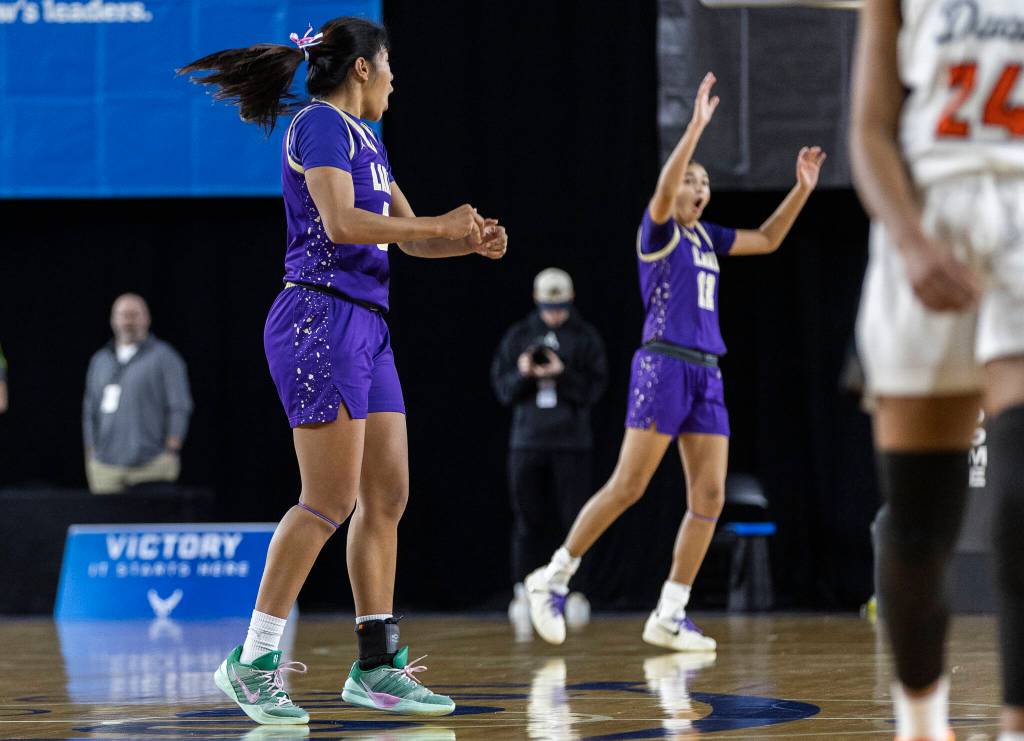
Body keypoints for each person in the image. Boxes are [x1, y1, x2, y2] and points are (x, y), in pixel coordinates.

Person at [179, 17, 507, 725]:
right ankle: (253, 660)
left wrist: (465, 240)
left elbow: (410, 241)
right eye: (389, 65)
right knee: (326, 499)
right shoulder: (319, 126)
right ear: (362, 68)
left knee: (386, 495)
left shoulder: (370, 140)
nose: (395, 79)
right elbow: (342, 225)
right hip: (318, 318)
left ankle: (378, 664)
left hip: (368, 325)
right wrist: (441, 224)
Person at [524, 72, 825, 651]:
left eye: (705, 181)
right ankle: (553, 577)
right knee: (630, 485)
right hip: (662, 365)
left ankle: (670, 611)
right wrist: (694, 129)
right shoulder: (657, 230)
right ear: (672, 187)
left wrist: (803, 189)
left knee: (708, 499)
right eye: (691, 179)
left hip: (706, 371)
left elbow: (766, 239)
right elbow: (664, 188)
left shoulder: (707, 237)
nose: (699, 187)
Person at [850, 1, 1024, 739]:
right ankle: (921, 721)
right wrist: (913, 243)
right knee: (920, 521)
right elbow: (868, 130)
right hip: (924, 217)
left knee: (1022, 493)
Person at [491, 268, 608, 611]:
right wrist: (525, 373)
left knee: (575, 518)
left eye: (559, 307)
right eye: (547, 307)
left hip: (571, 442)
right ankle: (522, 589)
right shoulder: (520, 335)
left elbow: (596, 390)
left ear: (570, 302)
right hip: (527, 440)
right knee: (528, 518)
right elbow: (503, 388)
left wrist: (563, 373)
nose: (553, 314)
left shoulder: (585, 338)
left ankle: (575, 591)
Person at [82, 294, 192, 495]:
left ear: (146, 319)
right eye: (123, 315)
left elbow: (179, 405)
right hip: (105, 468)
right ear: (113, 320)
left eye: (134, 315)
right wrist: (91, 451)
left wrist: (172, 447)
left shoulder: (164, 357)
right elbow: (90, 409)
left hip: (152, 465)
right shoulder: (100, 360)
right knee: (108, 525)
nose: (128, 321)